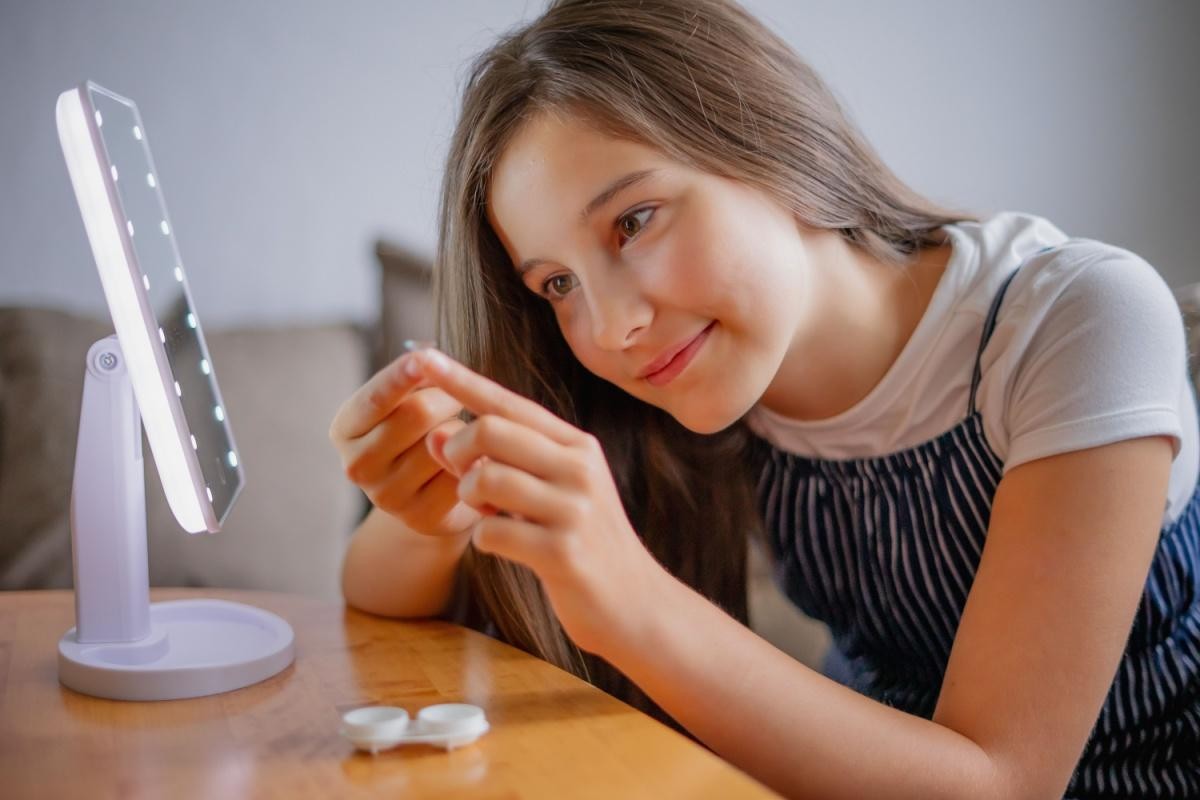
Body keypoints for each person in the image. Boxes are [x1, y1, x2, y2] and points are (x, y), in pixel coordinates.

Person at [328, 1, 1200, 796]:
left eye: (634, 221)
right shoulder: (682, 388)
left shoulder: (1076, 318)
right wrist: (431, 497)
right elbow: (373, 600)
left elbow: (1002, 783)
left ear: (768, 140)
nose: (612, 328)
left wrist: (633, 602)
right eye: (557, 283)